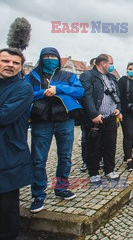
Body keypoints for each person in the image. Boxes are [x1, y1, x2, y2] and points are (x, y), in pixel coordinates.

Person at [26, 47, 84, 213]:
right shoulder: (32, 76)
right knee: (38, 159)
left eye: (53, 56)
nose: (50, 59)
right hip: (41, 121)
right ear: (41, 58)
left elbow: (79, 91)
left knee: (65, 156)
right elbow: (26, 93)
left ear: (58, 59)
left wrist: (59, 89)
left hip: (64, 120)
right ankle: (38, 194)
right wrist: (43, 93)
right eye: (46, 56)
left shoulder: (67, 75)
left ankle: (61, 187)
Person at [0, 48, 33, 238]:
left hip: (8, 154)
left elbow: (5, 116)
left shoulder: (23, 88)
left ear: (20, 67)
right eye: (5, 61)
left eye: (15, 63)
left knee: (6, 209)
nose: (10, 66)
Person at [80, 54, 123, 185]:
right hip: (96, 118)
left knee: (110, 145)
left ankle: (109, 169)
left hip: (110, 117)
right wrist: (93, 114)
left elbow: (117, 95)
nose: (112, 66)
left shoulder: (112, 77)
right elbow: (86, 96)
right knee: (93, 146)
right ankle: (93, 172)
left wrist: (118, 108)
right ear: (103, 63)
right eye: (111, 63)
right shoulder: (88, 76)